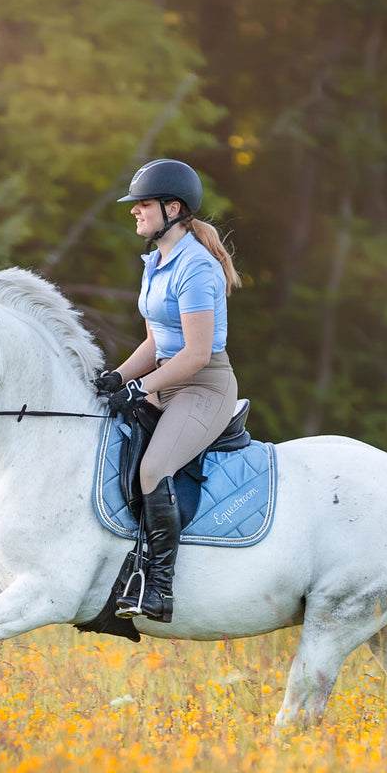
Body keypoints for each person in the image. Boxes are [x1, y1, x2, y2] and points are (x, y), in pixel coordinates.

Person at [94, 159, 242, 623]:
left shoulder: (197, 268)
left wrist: (141, 387)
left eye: (143, 205)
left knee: (154, 467)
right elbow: (158, 341)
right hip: (166, 381)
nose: (135, 213)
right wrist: (117, 377)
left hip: (202, 387)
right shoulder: (156, 262)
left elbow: (196, 354)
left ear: (172, 208)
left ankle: (158, 589)